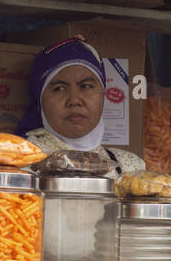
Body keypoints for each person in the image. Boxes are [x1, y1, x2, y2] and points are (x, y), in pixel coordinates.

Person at [16, 37, 145, 178]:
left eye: (86, 86)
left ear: (103, 94)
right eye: (59, 89)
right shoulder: (19, 162)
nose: (74, 100)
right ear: (40, 100)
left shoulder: (130, 167)